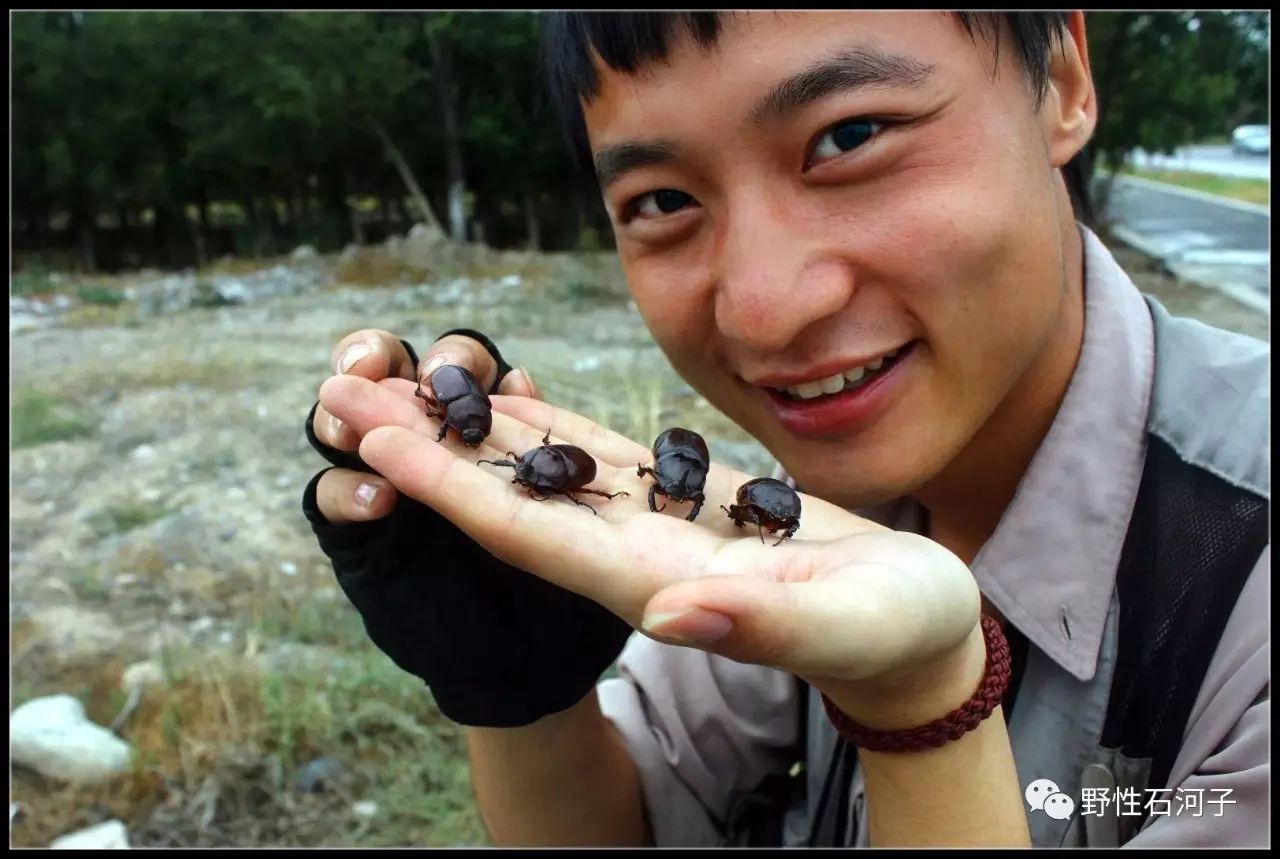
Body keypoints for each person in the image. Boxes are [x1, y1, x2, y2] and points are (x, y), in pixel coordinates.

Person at [300, 11, 1269, 848]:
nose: (763, 311)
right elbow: (630, 822)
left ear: (1057, 80)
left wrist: (923, 703)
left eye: (848, 136)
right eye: (663, 201)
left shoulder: (1237, 580)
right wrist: (520, 696)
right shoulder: (791, 505)